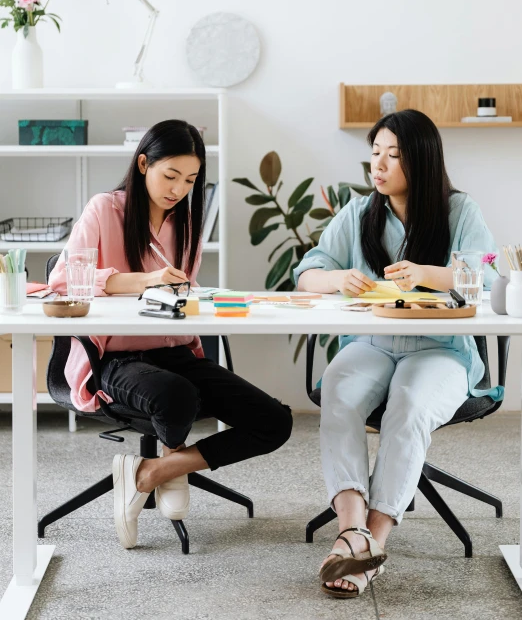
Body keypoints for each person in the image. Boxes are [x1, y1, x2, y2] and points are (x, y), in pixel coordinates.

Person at [49, 119, 292, 550]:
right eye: (170, 175)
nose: (179, 189)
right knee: (176, 396)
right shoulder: (105, 209)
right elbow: (64, 278)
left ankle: (160, 469)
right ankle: (171, 456)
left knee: (274, 421)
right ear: (143, 164)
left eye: (191, 180)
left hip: (175, 350)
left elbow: (179, 294)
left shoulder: (187, 223)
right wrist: (144, 279)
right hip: (115, 359)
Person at [294, 109, 501, 599]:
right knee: (340, 397)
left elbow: (489, 277)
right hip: (371, 342)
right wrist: (336, 279)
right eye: (375, 154)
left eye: (392, 155)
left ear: (422, 161)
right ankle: (352, 532)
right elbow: (307, 272)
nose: (379, 166)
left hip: (441, 348)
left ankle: (375, 542)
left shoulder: (459, 211)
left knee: (408, 407)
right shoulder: (360, 212)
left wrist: (430, 273)